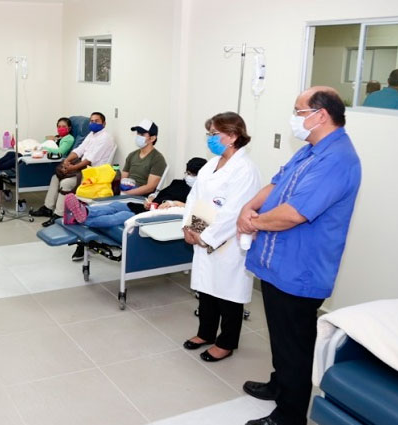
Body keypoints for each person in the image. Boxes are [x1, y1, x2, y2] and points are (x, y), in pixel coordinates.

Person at [237, 87, 361, 425]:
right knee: (280, 336)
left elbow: (295, 213)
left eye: (299, 110)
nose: (294, 118)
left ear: (320, 115)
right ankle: (280, 385)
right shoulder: (310, 151)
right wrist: (248, 208)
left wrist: (254, 223)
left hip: (301, 271)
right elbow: (276, 186)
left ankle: (289, 416)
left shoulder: (338, 159)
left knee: (295, 345)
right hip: (278, 264)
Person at [179, 112, 261, 363]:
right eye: (209, 134)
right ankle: (206, 333)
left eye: (215, 134)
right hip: (203, 232)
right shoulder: (211, 163)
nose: (210, 139)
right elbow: (196, 197)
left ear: (233, 136)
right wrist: (190, 228)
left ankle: (226, 342)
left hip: (228, 242)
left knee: (228, 293)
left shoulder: (245, 169)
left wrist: (206, 237)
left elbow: (234, 210)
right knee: (207, 289)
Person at [61, 119, 166, 260]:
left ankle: (80, 218)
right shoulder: (132, 155)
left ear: (152, 138)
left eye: (142, 134)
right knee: (109, 206)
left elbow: (150, 186)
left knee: (116, 210)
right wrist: (121, 189)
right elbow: (123, 178)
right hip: (126, 193)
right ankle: (83, 213)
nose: (138, 136)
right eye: (138, 133)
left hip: (141, 198)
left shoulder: (157, 159)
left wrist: (128, 193)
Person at [30, 112, 115, 226]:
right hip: (83, 168)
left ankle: (59, 215)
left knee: (65, 183)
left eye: (97, 121)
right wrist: (67, 161)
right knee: (55, 177)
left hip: (93, 174)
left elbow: (89, 160)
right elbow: (79, 150)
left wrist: (72, 168)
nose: (93, 123)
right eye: (91, 121)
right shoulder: (92, 135)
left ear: (104, 124)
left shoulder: (105, 138)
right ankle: (47, 208)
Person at [0, 117, 75, 172]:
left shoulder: (69, 138)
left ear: (69, 128)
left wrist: (43, 147)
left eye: (64, 126)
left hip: (50, 159)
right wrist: (48, 139)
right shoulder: (58, 137)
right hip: (42, 153)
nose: (61, 128)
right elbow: (46, 143)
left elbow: (60, 152)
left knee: (18, 157)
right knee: (11, 153)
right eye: (59, 126)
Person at [130, 157, 208, 214]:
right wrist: (150, 199)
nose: (188, 177)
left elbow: (197, 210)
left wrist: (175, 203)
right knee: (117, 206)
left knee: (122, 215)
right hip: (145, 208)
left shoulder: (200, 193)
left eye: (192, 175)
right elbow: (158, 194)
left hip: (154, 217)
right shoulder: (177, 183)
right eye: (188, 173)